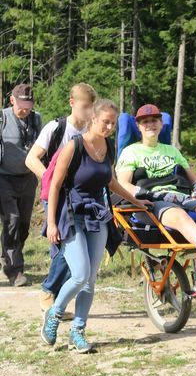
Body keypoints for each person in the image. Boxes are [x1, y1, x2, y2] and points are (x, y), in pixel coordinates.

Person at [41, 99, 150, 353]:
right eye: (105, 122)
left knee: (89, 279)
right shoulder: (74, 146)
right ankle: (54, 315)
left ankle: (77, 331)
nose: (110, 126)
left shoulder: (108, 146)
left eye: (113, 123)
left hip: (97, 215)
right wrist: (50, 224)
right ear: (93, 119)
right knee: (79, 274)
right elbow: (55, 186)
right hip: (70, 214)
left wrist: (136, 200)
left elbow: (110, 181)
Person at [115, 104, 196, 246]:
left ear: (161, 123)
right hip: (151, 202)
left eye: (154, 120)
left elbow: (194, 179)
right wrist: (149, 195)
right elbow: (123, 185)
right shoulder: (130, 152)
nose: (150, 125)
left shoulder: (172, 151)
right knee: (180, 216)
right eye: (145, 121)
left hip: (179, 197)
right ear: (138, 126)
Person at [26, 83, 96, 314]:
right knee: (63, 244)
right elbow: (31, 158)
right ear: (72, 103)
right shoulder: (57, 127)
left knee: (74, 247)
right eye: (85, 107)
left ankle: (52, 293)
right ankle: (49, 292)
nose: (88, 113)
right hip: (56, 193)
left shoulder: (91, 129)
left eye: (91, 108)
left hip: (81, 195)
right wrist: (50, 178)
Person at [0, 84, 42, 286]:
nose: (24, 109)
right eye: (21, 105)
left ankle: (9, 254)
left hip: (28, 178)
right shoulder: (2, 118)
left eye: (28, 105)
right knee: (12, 221)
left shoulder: (36, 119)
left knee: (23, 226)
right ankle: (14, 270)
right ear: (12, 100)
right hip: (4, 178)